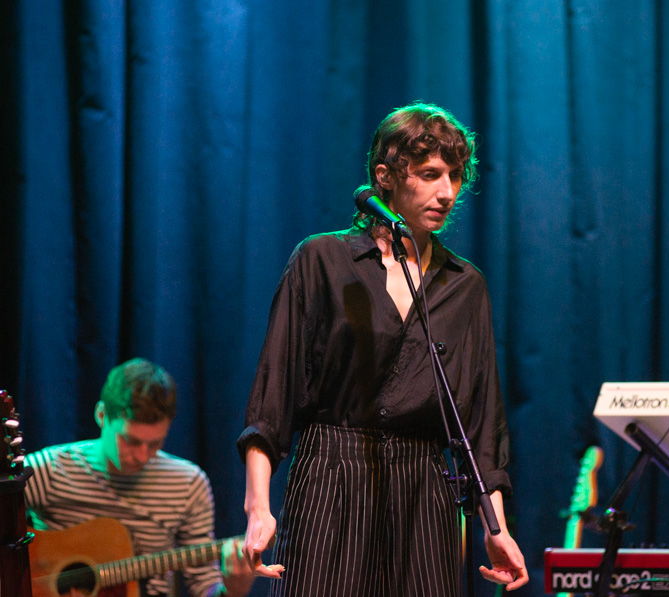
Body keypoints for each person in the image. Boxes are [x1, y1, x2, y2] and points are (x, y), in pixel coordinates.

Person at [238, 102, 528, 596]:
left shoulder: (465, 286)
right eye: (431, 174)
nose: (447, 192)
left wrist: (494, 528)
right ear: (386, 176)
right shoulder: (323, 260)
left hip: (424, 486)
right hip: (332, 469)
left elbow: (481, 423)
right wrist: (258, 506)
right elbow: (273, 395)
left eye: (455, 177)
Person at [24, 358, 256, 597]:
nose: (143, 456)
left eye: (155, 443)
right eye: (131, 441)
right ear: (102, 415)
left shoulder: (188, 484)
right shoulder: (49, 469)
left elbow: (203, 585)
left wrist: (234, 590)